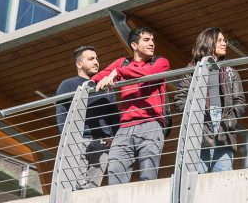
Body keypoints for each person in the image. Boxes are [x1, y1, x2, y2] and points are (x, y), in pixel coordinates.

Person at [91, 27, 169, 184]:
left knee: (148, 177)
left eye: (152, 40)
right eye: (146, 40)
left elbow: (149, 74)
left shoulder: (161, 61)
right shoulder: (123, 62)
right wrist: (92, 83)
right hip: (124, 128)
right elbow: (100, 76)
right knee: (115, 174)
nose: (152, 43)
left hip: (151, 124)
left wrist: (120, 73)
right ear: (134, 45)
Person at [174, 27, 246, 173]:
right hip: (199, 130)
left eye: (224, 40)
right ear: (208, 42)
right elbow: (180, 99)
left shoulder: (230, 72)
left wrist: (231, 117)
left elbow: (240, 100)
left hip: (224, 130)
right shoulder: (193, 70)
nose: (224, 43)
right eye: (219, 40)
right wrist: (196, 116)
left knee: (222, 180)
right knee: (197, 177)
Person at [55, 45, 120, 189]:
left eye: (96, 58)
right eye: (91, 59)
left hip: (102, 142)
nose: (96, 62)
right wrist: (67, 138)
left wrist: (114, 136)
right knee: (78, 185)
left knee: (93, 187)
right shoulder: (67, 85)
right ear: (79, 64)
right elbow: (61, 114)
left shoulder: (105, 85)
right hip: (78, 141)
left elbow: (114, 114)